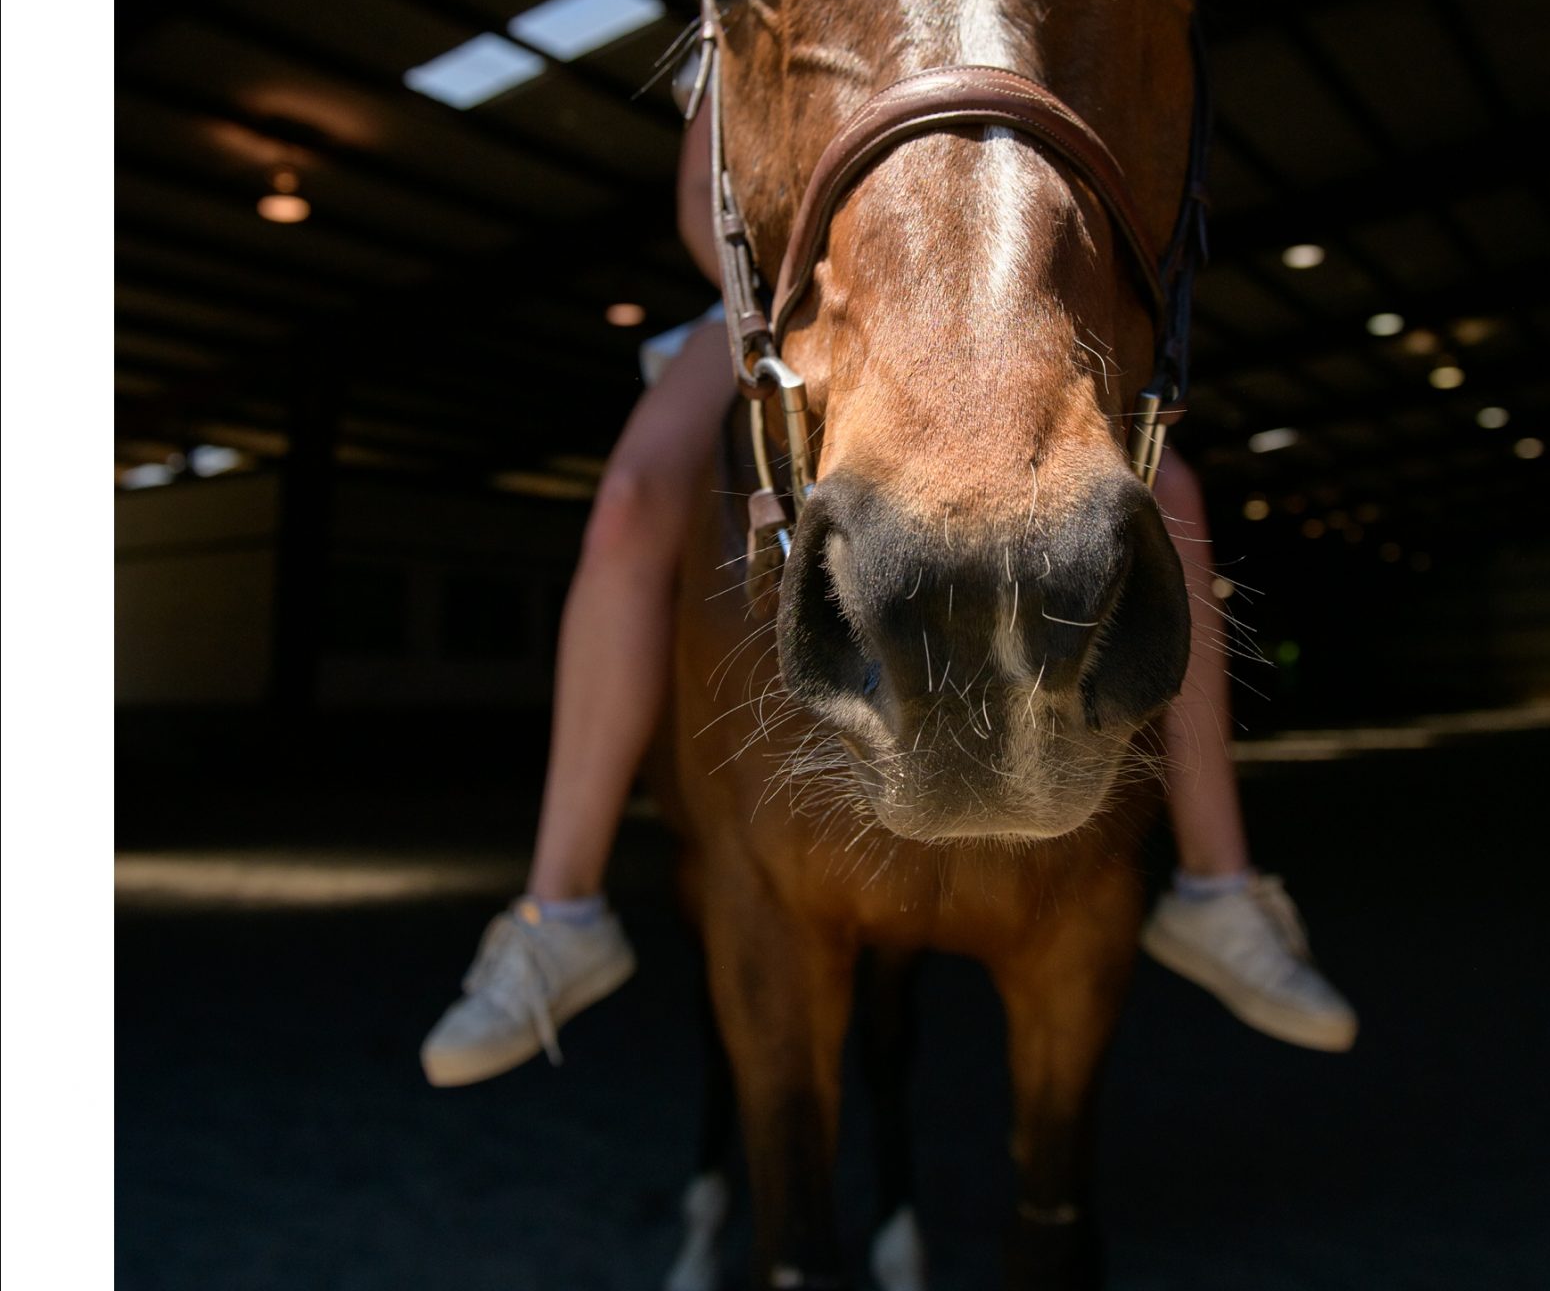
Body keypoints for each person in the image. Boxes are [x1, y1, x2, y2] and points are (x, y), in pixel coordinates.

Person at [421, 96, 1357, 1086]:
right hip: (782, 299)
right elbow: (706, 201)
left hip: (970, 285)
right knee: (627, 502)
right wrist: (790, 300)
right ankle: (557, 905)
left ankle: (1218, 884)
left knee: (1169, 487)